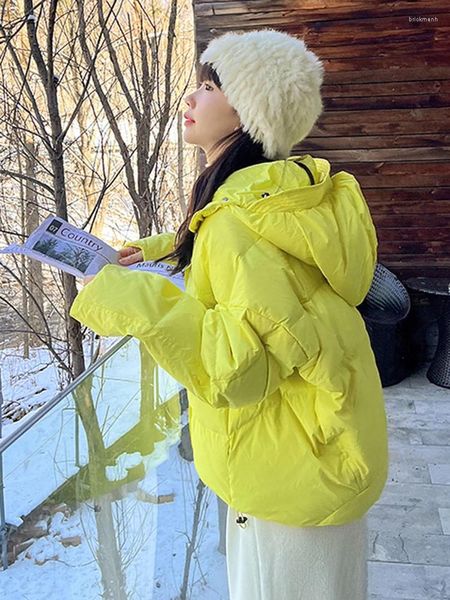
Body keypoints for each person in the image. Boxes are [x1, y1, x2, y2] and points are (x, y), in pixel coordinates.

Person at [70, 28, 389, 600]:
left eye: (209, 85)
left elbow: (236, 366)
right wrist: (166, 249)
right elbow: (262, 285)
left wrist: (124, 295)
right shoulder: (278, 197)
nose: (189, 99)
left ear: (252, 110)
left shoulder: (237, 223)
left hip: (291, 480)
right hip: (311, 450)